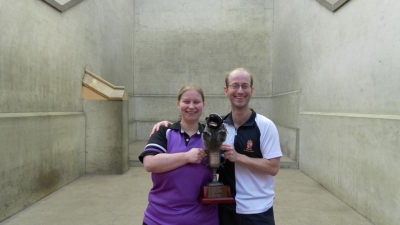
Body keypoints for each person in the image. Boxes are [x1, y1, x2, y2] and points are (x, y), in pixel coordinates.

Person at [150, 68, 282, 225]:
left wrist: (239, 157)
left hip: (257, 210)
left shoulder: (265, 125)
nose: (240, 91)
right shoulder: (219, 127)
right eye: (234, 86)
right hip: (225, 208)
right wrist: (170, 125)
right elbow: (191, 126)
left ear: (252, 90)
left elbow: (273, 167)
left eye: (245, 86)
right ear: (226, 90)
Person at [139, 84, 218, 225]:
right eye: (186, 102)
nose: (191, 106)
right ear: (178, 104)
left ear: (203, 105)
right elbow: (150, 163)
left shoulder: (212, 137)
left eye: (196, 102)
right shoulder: (164, 132)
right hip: (159, 220)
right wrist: (187, 157)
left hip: (204, 220)